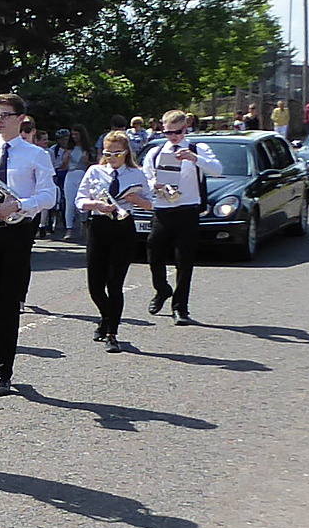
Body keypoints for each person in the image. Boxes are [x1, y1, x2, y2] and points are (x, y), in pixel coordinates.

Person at [0, 94, 57, 396]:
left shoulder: (35, 154)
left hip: (17, 232)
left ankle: (2, 369)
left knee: (7, 304)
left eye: (5, 115)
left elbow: (50, 196)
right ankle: (1, 348)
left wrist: (19, 205)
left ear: (21, 118)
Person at [140, 109, 223, 325]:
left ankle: (180, 307)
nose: (172, 137)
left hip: (187, 209)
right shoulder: (156, 152)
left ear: (185, 129)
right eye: (168, 132)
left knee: (184, 260)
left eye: (177, 132)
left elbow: (217, 169)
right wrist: (153, 185)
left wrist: (194, 158)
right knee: (153, 252)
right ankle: (162, 289)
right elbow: (145, 177)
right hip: (162, 209)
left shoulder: (197, 148)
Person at [76, 133, 153, 352]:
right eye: (107, 153)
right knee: (95, 286)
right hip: (99, 226)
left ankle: (112, 332)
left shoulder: (136, 173)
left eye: (116, 154)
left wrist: (138, 200)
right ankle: (106, 316)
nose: (111, 158)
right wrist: (96, 205)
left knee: (115, 283)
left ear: (126, 152)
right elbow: (79, 200)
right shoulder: (95, 171)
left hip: (124, 227)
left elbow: (152, 203)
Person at [60, 126, 92, 239]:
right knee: (70, 203)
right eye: (73, 135)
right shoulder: (69, 149)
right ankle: (69, 229)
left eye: (76, 134)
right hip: (71, 174)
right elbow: (63, 167)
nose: (74, 137)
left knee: (83, 201)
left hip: (82, 174)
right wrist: (66, 160)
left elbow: (91, 165)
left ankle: (84, 224)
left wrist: (86, 161)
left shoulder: (86, 149)